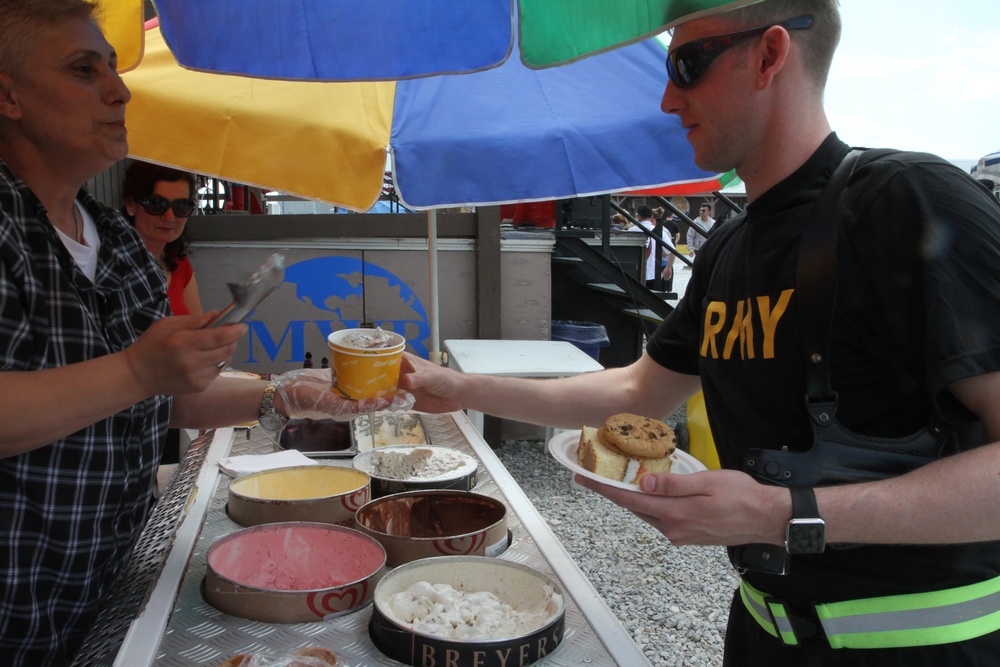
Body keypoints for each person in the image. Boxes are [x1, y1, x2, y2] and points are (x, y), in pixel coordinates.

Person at [399, 1, 1000, 665]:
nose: (666, 98)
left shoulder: (907, 200)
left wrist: (782, 513)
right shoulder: (728, 248)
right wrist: (460, 389)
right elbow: (636, 392)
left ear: (771, 55)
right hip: (759, 634)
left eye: (687, 63)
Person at [0, 4, 412, 665]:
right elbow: (132, 381)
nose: (119, 90)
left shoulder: (115, 237)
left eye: (114, 67)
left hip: (114, 576)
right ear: (8, 95)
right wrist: (136, 370)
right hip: (19, 607)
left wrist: (288, 395)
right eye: (83, 70)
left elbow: (162, 399)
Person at [121, 161, 203, 316]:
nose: (169, 217)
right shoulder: (114, 267)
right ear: (130, 204)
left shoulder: (179, 264)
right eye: (156, 204)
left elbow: (199, 328)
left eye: (181, 206)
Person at [628, 204, 675, 289]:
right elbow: (672, 251)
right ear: (651, 216)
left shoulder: (631, 231)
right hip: (654, 274)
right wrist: (668, 268)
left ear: (638, 216)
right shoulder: (659, 231)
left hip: (634, 274)